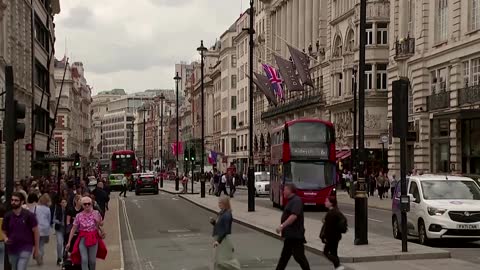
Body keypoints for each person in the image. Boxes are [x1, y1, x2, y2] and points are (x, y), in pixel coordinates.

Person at [275, 183, 310, 270]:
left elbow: (294, 216)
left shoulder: (296, 201)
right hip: (290, 235)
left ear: (290, 191)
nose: (283, 192)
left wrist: (282, 226)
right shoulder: (291, 200)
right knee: (284, 257)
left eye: (285, 190)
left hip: (295, 235)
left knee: (299, 257)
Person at [66, 196, 107, 270]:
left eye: (89, 204)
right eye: (85, 204)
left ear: (91, 204)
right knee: (84, 260)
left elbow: (101, 224)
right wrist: (69, 242)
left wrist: (98, 220)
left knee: (92, 261)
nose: (87, 205)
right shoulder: (79, 216)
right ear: (82, 205)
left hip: (93, 238)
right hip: (83, 239)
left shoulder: (96, 213)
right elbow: (73, 229)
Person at [2, 192, 40, 270]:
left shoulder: (29, 216)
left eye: (16, 200)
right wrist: (5, 238)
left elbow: (36, 232)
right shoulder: (7, 216)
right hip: (12, 248)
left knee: (21, 268)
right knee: (14, 267)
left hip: (26, 246)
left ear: (22, 202)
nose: (13, 202)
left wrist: (36, 248)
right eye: (12, 200)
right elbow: (3, 230)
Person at [210, 196, 240, 270]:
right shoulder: (221, 213)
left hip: (224, 239)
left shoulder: (227, 215)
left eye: (220, 203)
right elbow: (220, 226)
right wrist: (214, 223)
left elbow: (226, 230)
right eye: (219, 202)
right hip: (219, 238)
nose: (218, 204)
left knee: (224, 260)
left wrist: (218, 241)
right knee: (217, 260)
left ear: (225, 203)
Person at [320, 196, 346, 270]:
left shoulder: (331, 213)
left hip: (331, 237)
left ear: (331, 203)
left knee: (326, 252)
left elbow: (329, 228)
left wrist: (324, 237)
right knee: (334, 252)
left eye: (326, 201)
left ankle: (338, 265)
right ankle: (337, 267)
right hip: (336, 236)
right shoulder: (336, 211)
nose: (325, 202)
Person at [34, 194, 52, 265]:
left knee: (37, 244)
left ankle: (38, 255)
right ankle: (41, 255)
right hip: (45, 228)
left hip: (37, 227)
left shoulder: (36, 208)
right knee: (42, 244)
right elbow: (49, 219)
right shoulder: (48, 209)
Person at [54, 198, 67, 265]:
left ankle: (64, 257)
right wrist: (59, 222)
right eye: (62, 202)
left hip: (66, 229)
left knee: (65, 244)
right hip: (59, 229)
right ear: (60, 203)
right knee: (59, 243)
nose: (64, 203)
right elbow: (54, 219)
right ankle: (59, 258)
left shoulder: (68, 210)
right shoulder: (57, 210)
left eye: (65, 202)